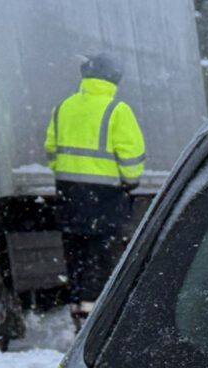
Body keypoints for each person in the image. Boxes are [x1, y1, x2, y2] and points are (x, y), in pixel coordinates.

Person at [45, 52, 147, 312]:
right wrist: (129, 180)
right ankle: (97, 311)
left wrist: (69, 174)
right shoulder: (117, 110)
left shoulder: (64, 106)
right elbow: (131, 156)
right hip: (105, 196)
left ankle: (79, 305)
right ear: (114, 78)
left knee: (77, 252)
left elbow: (51, 150)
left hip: (69, 193)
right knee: (103, 253)